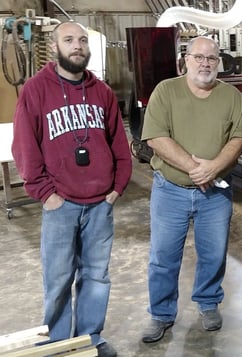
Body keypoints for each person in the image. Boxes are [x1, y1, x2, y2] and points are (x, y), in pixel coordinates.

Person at [11, 21, 132, 357]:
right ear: (55, 47)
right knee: (59, 279)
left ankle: (90, 339)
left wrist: (117, 188)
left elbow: (119, 143)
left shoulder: (103, 91)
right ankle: (60, 343)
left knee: (97, 277)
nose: (77, 46)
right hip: (60, 204)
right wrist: (44, 193)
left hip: (100, 203)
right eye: (69, 40)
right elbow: (24, 146)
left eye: (81, 40)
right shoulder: (36, 89)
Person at [140, 36, 242, 342]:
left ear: (219, 63)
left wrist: (213, 168)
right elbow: (155, 138)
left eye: (212, 58)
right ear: (185, 60)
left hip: (216, 193)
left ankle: (208, 302)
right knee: (163, 256)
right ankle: (161, 314)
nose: (205, 63)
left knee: (213, 253)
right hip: (170, 190)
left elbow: (239, 137)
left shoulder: (231, 96)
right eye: (198, 57)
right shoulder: (166, 91)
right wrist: (196, 168)